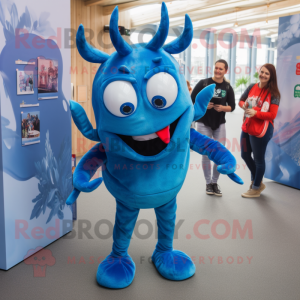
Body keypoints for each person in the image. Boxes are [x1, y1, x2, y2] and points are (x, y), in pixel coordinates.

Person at [191, 59, 235, 196]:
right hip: (204, 123)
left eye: (221, 69)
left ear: (225, 71)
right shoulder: (204, 83)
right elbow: (192, 100)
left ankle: (215, 182)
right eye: (216, 68)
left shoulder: (227, 87)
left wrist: (223, 108)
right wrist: (204, 106)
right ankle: (208, 183)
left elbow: (232, 106)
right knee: (206, 153)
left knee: (219, 153)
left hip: (220, 124)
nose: (217, 71)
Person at [239, 64, 280, 198]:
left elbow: (272, 115)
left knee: (258, 159)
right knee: (245, 154)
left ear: (271, 76)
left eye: (266, 73)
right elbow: (240, 101)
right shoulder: (252, 86)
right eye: (261, 72)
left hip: (262, 130)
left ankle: (255, 187)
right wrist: (245, 106)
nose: (263, 75)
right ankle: (258, 181)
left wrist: (255, 113)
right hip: (247, 125)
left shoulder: (274, 93)